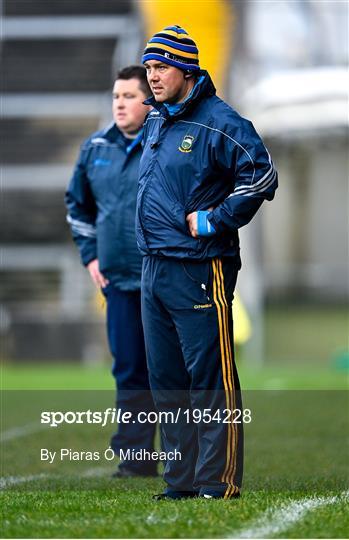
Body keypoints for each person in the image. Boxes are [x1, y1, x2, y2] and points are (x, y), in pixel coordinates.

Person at [137, 25, 278, 499]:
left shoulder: (221, 122)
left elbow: (262, 177)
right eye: (149, 67)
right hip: (154, 269)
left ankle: (217, 482)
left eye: (162, 67)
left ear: (187, 69)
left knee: (210, 380)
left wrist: (216, 220)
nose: (153, 76)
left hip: (200, 268)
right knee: (167, 382)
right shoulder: (156, 120)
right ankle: (180, 482)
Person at [65, 66, 158, 478]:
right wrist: (90, 255)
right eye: (116, 96)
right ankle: (136, 461)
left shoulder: (165, 142)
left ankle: (186, 457)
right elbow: (77, 206)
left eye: (129, 96)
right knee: (129, 369)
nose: (119, 103)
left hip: (162, 278)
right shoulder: (95, 148)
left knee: (171, 372)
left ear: (149, 101)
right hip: (118, 281)